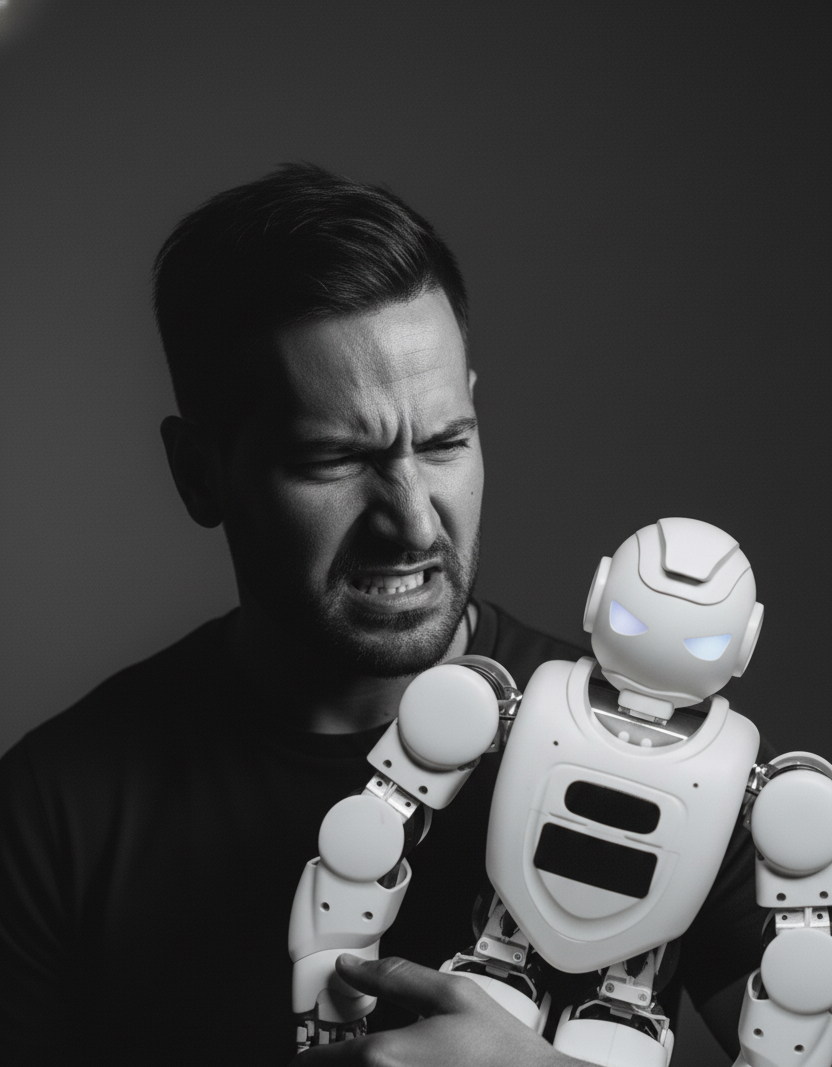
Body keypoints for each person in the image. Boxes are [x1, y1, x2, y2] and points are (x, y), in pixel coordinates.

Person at [0, 164, 766, 1066]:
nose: (412, 522)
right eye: (333, 459)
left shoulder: (680, 767)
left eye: (444, 441)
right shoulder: (51, 813)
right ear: (199, 474)